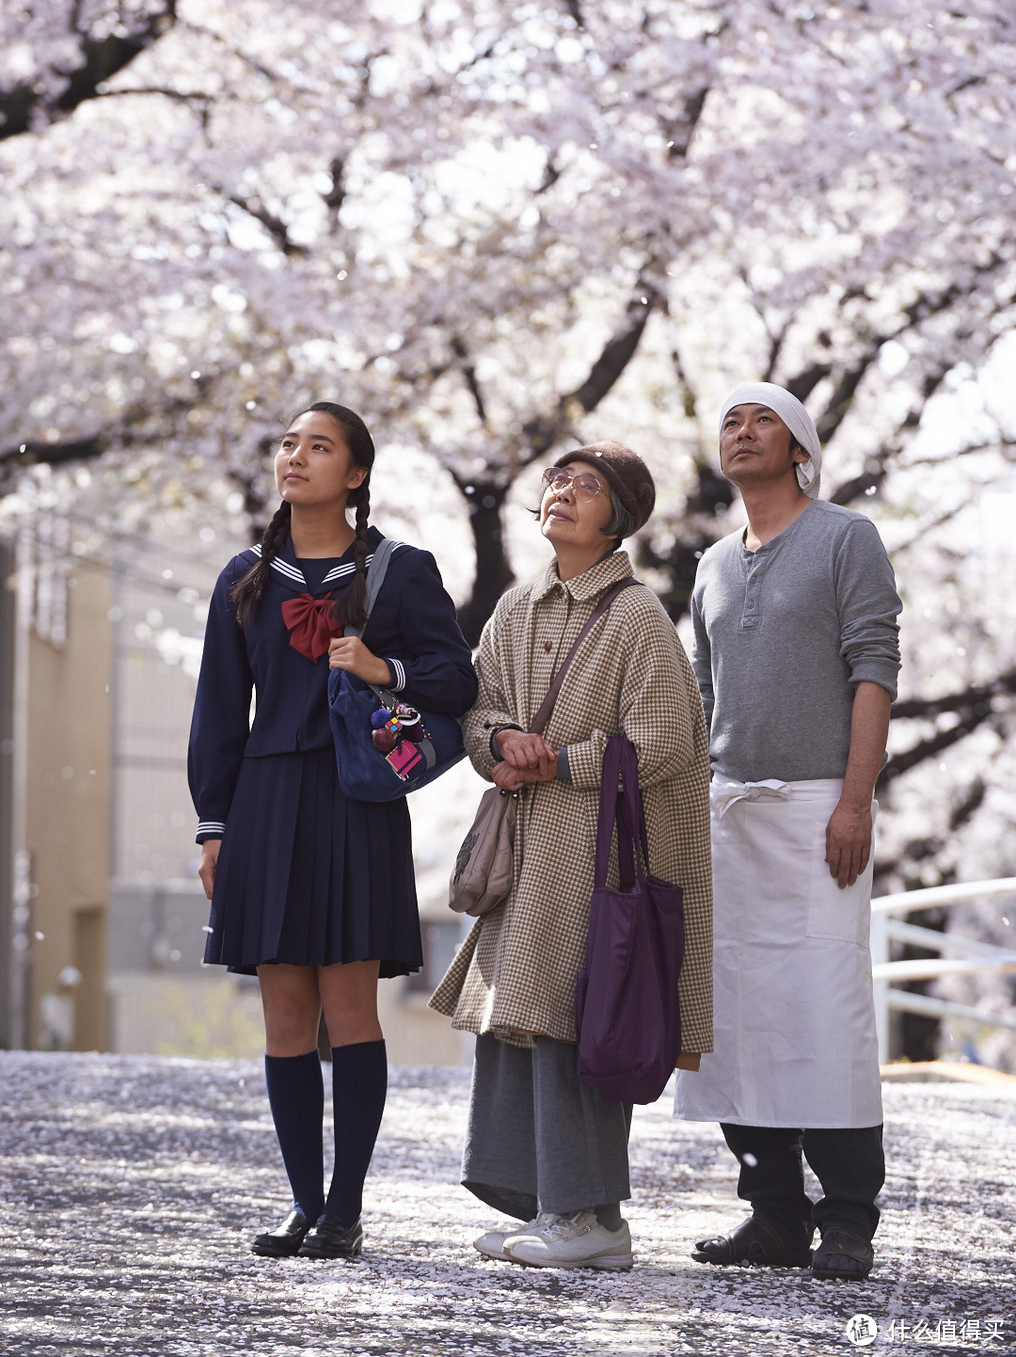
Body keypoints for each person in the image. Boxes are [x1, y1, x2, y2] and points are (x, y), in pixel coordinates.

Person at [190, 402, 477, 1261]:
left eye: (318, 446)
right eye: (288, 444)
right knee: (283, 1011)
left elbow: (457, 678)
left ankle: (346, 1207)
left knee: (350, 1006)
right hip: (267, 802)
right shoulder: (244, 576)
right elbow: (216, 710)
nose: (295, 457)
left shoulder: (400, 570)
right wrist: (214, 825)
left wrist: (382, 665)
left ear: (355, 473)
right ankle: (302, 1202)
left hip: (358, 800)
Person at [431, 442, 713, 1272]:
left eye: (586, 486)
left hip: (598, 857)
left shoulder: (637, 615)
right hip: (528, 851)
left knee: (578, 1016)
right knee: (519, 1016)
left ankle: (593, 1217)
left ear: (618, 515)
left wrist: (561, 758)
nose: (562, 492)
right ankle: (545, 1203)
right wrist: (497, 740)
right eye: (557, 479)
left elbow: (667, 740)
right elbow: (475, 706)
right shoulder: (517, 605)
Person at [674, 383, 902, 1283]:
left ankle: (847, 1217)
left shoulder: (847, 538)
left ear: (800, 447)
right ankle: (773, 1213)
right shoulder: (711, 565)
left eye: (762, 418)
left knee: (825, 1006)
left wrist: (855, 800)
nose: (741, 429)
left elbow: (874, 669)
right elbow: (700, 694)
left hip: (818, 809)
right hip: (727, 810)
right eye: (731, 419)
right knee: (735, 1012)